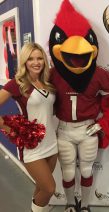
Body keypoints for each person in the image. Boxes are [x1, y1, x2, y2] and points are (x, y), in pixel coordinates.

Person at [48, 1, 109, 211]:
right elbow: (41, 98)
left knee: (87, 171)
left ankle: (86, 204)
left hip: (88, 128)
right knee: (68, 172)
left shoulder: (100, 75)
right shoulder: (53, 74)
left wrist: (104, 123)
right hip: (64, 130)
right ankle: (71, 203)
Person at [0, 43, 57, 212]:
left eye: (40, 58)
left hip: (51, 142)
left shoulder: (47, 81)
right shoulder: (17, 83)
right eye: (31, 58)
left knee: (41, 188)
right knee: (49, 189)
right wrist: (11, 129)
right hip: (31, 147)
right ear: (24, 61)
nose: (36, 62)